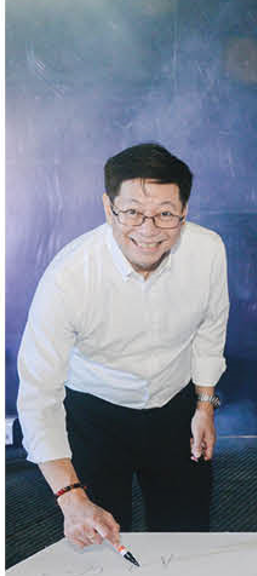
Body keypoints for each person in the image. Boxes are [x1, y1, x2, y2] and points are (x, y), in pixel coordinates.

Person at [17, 143, 227, 551]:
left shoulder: (208, 251)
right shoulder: (69, 276)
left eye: (166, 214)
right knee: (101, 546)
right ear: (107, 206)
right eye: (131, 212)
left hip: (175, 408)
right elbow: (38, 393)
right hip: (95, 414)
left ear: (185, 211)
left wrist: (204, 405)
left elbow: (210, 329)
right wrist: (70, 497)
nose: (148, 230)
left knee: (188, 541)